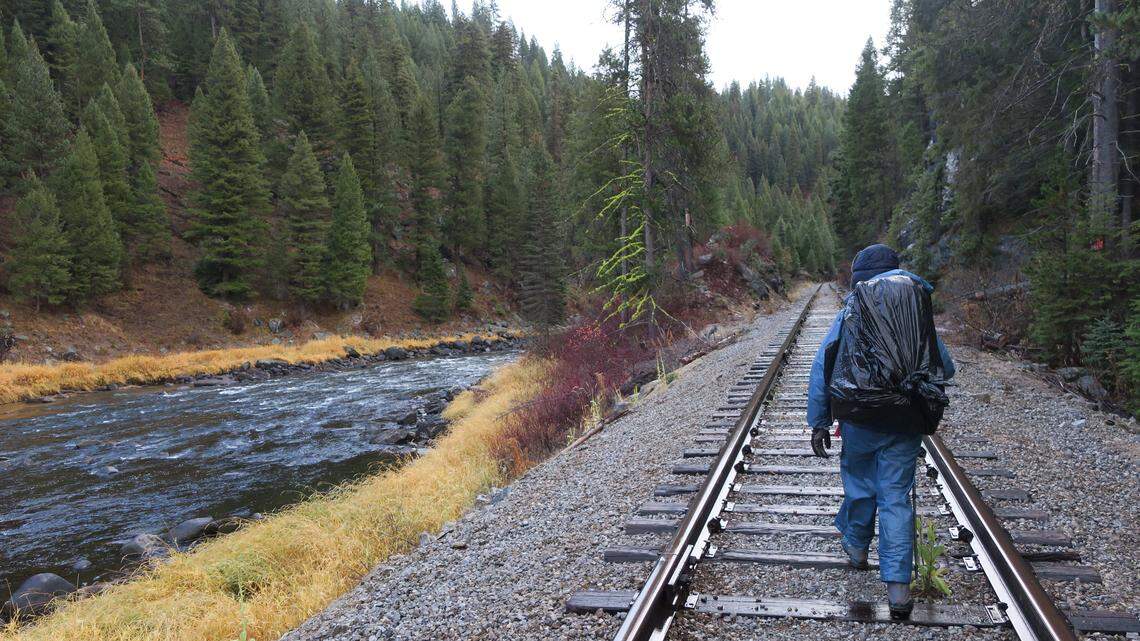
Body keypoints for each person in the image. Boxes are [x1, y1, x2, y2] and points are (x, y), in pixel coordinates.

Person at [805, 243, 955, 620]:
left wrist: (819, 421)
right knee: (895, 497)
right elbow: (946, 368)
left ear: (860, 280)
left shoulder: (852, 309)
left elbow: (823, 365)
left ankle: (856, 551)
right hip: (904, 421)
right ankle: (899, 593)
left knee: (859, 485)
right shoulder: (916, 306)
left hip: (858, 418)